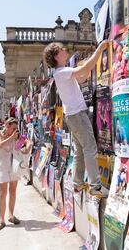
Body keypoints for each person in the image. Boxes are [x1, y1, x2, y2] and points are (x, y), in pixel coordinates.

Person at [43, 40, 109, 197]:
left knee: (80, 149)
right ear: (56, 56)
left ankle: (78, 183)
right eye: (61, 49)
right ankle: (95, 186)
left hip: (73, 116)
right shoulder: (61, 72)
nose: (65, 50)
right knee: (90, 147)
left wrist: (87, 64)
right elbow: (85, 69)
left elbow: (82, 76)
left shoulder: (62, 73)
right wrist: (100, 49)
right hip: (78, 114)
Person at [0, 118, 32, 231]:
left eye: (16, 128)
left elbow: (28, 141)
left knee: (13, 191)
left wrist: (27, 148)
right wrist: (12, 137)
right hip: (2, 166)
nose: (15, 130)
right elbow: (0, 144)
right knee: (2, 193)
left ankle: (11, 215)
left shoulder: (17, 136)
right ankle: (1, 220)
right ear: (7, 125)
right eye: (13, 128)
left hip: (14, 166)